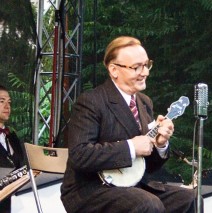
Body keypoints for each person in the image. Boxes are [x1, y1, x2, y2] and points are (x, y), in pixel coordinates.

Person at [61, 36, 196, 213]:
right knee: (148, 204)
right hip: (91, 189)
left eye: (147, 65)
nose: (145, 72)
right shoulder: (91, 102)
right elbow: (80, 155)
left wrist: (160, 145)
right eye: (136, 67)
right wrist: (131, 147)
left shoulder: (144, 102)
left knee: (188, 199)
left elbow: (148, 166)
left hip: (133, 186)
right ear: (114, 70)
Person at [0, 85, 25, 212]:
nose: (7, 106)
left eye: (9, 102)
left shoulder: (13, 138)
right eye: (1, 101)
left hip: (16, 203)